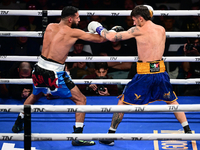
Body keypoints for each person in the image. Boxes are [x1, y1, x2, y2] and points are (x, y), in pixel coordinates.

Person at [87, 5, 192, 146]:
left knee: (123, 101)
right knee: (172, 100)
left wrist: (98, 28)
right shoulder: (161, 29)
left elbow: (112, 37)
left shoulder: (137, 30)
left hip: (144, 74)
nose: (133, 23)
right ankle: (188, 130)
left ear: (141, 19)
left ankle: (110, 135)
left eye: (134, 20)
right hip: (160, 71)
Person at [12, 6, 106, 146]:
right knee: (81, 100)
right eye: (77, 17)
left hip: (38, 68)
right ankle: (77, 137)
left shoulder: (50, 26)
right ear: (70, 19)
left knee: (35, 95)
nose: (79, 20)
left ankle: (18, 123)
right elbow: (100, 39)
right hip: (54, 73)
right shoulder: (73, 32)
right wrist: (100, 28)